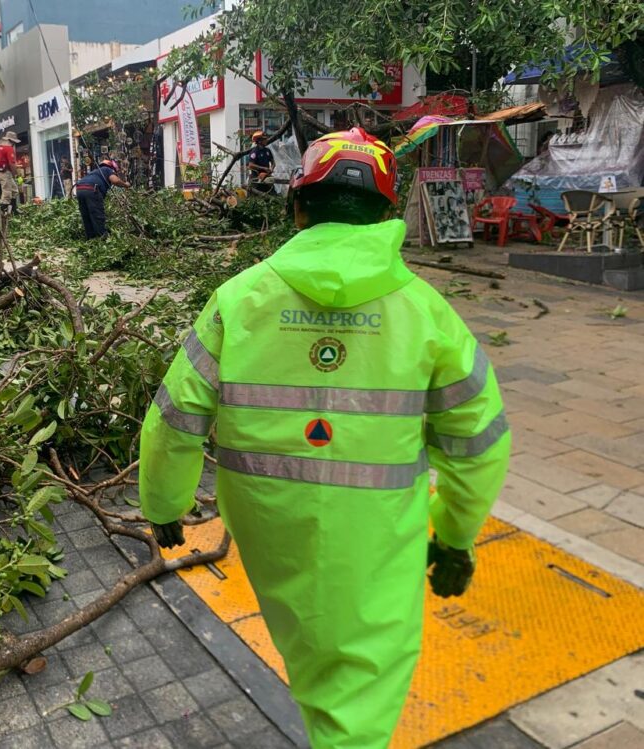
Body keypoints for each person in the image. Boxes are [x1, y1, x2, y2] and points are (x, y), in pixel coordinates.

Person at [138, 127, 510, 748]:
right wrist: (454, 537)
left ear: (298, 206)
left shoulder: (240, 298)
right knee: (359, 689)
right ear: (386, 213)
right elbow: (478, 440)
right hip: (376, 532)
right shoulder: (426, 312)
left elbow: (174, 420)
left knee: (308, 652)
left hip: (265, 523)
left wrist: (165, 507)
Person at [74, 159, 130, 239]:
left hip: (79, 188)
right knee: (97, 214)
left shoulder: (94, 172)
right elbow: (115, 180)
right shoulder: (107, 169)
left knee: (86, 215)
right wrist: (125, 185)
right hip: (92, 189)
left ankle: (90, 238)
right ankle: (102, 237)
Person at [0, 131, 21, 212]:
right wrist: (15, 174)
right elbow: (12, 163)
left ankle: (14, 209)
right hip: (5, 172)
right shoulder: (9, 148)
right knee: (7, 193)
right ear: (12, 141)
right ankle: (2, 212)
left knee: (14, 190)